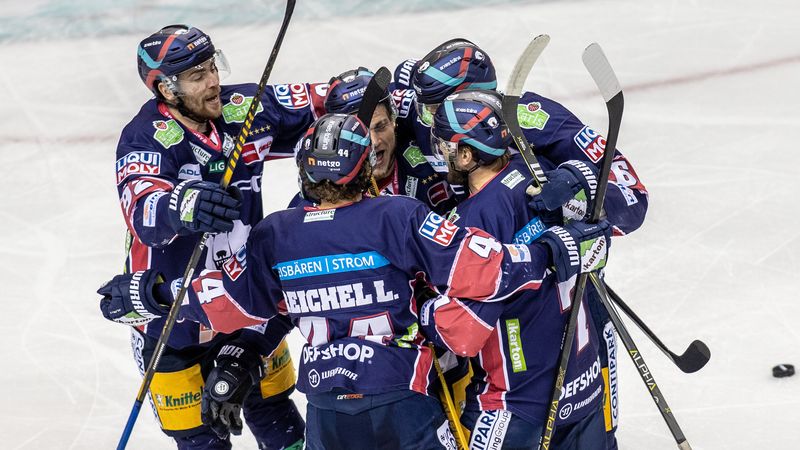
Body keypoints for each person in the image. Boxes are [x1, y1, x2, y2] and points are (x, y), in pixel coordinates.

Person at [99, 112, 612, 449]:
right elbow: (487, 270)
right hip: (401, 397)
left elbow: (225, 303)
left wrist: (153, 295)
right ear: (364, 169)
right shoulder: (397, 216)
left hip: (326, 410)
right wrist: (552, 252)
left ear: (304, 174)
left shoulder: (277, 233)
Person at [411, 38, 651, 448]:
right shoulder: (431, 124)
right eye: (425, 109)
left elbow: (631, 200)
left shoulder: (532, 117)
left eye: (437, 107)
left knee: (586, 417)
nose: (429, 120)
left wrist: (578, 181)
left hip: (564, 289)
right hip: (488, 295)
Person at [104, 24, 324, 449]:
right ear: (167, 89)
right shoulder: (144, 137)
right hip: (172, 321)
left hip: (244, 304)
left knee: (283, 428)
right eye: (198, 75)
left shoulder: (243, 107)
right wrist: (183, 205)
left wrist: (355, 91)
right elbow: (142, 208)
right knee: (201, 442)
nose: (213, 82)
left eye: (212, 67)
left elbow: (326, 100)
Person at [421, 89, 610, 449]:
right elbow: (598, 240)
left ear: (465, 155)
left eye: (445, 147)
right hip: (583, 390)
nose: (440, 156)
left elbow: (463, 333)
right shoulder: (537, 177)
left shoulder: (472, 220)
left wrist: (423, 309)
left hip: (519, 405)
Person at [291, 67, 461, 214]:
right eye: (359, 134)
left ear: (394, 119)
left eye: (380, 126)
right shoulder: (314, 194)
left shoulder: (426, 152)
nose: (374, 141)